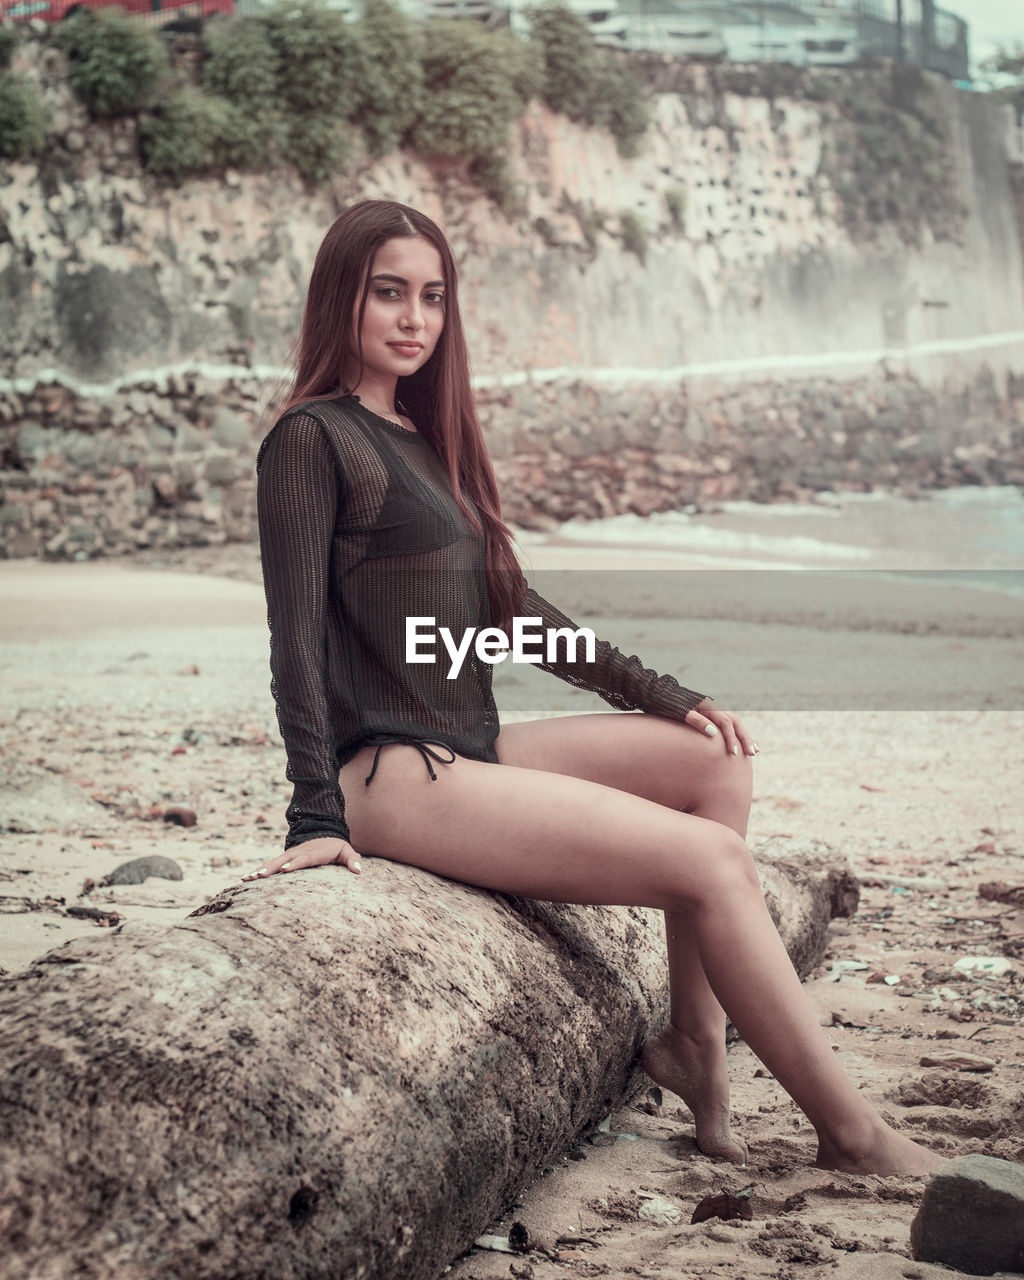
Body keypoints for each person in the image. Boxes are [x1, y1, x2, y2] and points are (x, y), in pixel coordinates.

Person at [243, 198, 940, 1177]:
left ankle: (693, 1042)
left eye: (432, 297)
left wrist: (658, 692)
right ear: (339, 299)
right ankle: (854, 1135)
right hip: (387, 775)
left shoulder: (423, 436)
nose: (413, 318)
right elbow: (295, 640)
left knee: (710, 758)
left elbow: (509, 606)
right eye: (387, 292)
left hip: (464, 744)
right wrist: (313, 813)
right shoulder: (311, 439)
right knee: (712, 863)